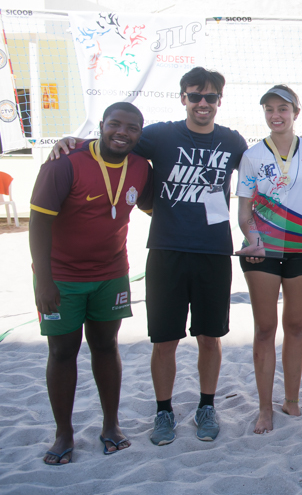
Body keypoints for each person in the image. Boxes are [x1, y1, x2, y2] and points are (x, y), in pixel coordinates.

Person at [52, 67, 248, 445]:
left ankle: (206, 405)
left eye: (209, 97)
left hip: (213, 252)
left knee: (210, 337)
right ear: (183, 99)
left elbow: (268, 160)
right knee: (165, 340)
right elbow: (113, 143)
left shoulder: (232, 141)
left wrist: (301, 139)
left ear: (219, 101)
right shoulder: (160, 134)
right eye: (195, 96)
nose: (202, 103)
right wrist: (72, 141)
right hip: (166, 250)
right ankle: (164, 411)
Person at [31, 102, 152, 464]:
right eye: (115, 124)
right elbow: (37, 224)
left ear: (139, 134)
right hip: (62, 278)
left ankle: (111, 425)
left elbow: (154, 206)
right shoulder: (64, 162)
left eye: (131, 128)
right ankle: (64, 432)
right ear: (101, 125)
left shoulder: (141, 167)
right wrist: (44, 282)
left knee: (105, 346)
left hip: (111, 274)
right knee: (63, 352)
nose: (122, 132)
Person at [235, 86, 302, 434]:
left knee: (295, 326)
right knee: (264, 329)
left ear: (295, 112)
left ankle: (291, 399)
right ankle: (264, 408)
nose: (276, 115)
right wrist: (254, 237)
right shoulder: (253, 155)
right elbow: (244, 211)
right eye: (269, 109)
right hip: (264, 248)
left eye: (283, 109)